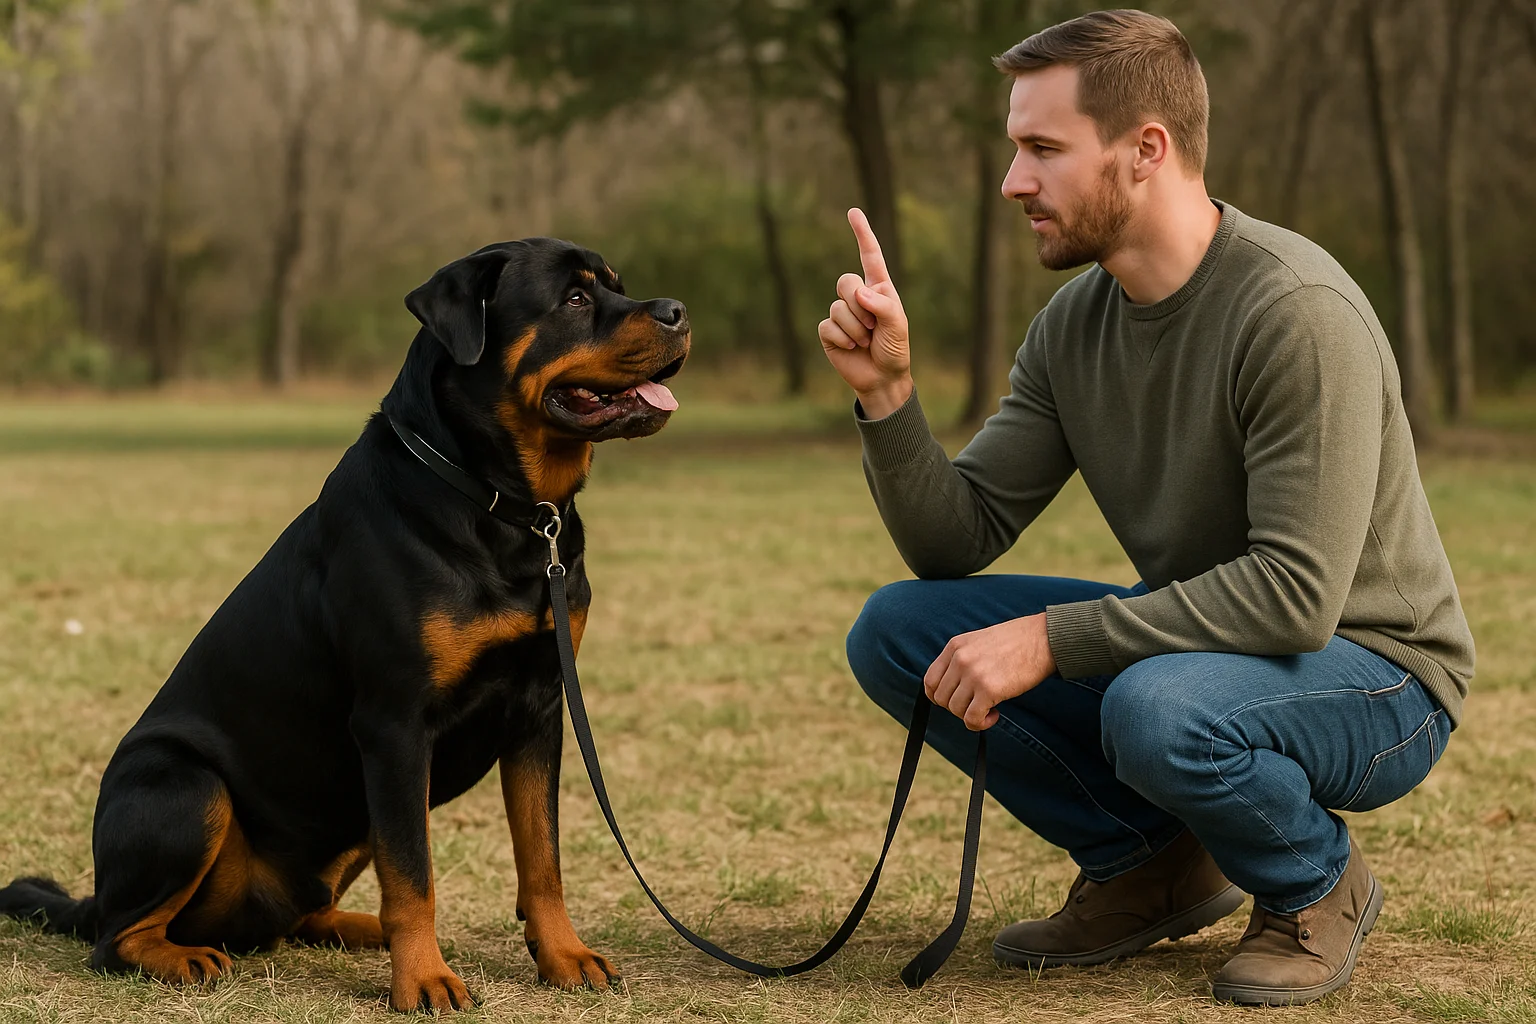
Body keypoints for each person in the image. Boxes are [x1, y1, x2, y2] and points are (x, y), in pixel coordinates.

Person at [819, 8, 1474, 1007]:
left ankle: (1314, 881)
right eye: (1013, 149)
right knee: (899, 634)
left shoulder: (1295, 313)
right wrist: (888, 395)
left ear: (1146, 151)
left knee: (1156, 706)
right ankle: (1153, 864)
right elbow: (954, 537)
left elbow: (1297, 598)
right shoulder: (1073, 326)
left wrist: (1053, 636)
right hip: (1203, 658)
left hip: (1379, 674)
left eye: (1042, 148)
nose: (1013, 182)